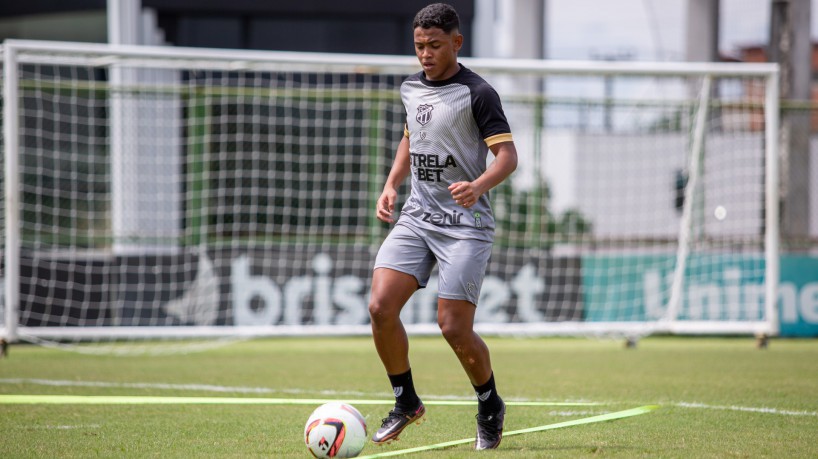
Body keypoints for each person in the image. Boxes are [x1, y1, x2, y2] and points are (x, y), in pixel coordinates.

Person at [367, 2, 519, 451]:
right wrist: (392, 183)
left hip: (465, 225)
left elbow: (508, 157)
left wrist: (479, 185)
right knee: (379, 307)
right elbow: (412, 137)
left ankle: (489, 405)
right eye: (419, 46)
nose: (426, 54)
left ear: (457, 42)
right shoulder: (411, 88)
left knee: (452, 327)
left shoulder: (479, 93)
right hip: (417, 216)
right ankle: (406, 401)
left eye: (435, 45)